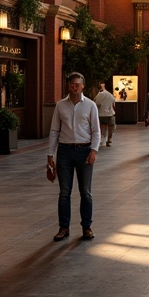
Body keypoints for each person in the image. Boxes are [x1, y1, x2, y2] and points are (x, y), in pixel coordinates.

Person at [48, 72, 101, 240]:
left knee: (85, 192)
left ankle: (87, 227)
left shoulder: (90, 105)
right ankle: (64, 228)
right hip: (64, 151)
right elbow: (55, 130)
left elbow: (96, 131)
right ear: (68, 85)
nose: (74, 87)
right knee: (64, 192)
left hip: (84, 151)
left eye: (77, 84)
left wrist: (94, 150)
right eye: (72, 84)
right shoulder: (60, 105)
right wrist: (50, 154)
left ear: (83, 86)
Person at [94, 81, 117, 147]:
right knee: (111, 128)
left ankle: (102, 140)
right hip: (110, 114)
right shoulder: (110, 95)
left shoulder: (99, 95)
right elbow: (113, 104)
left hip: (101, 114)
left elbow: (96, 103)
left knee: (102, 128)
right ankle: (109, 140)